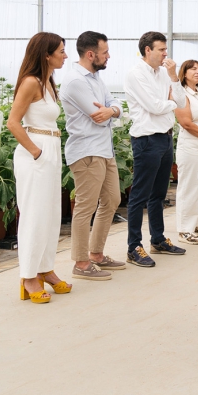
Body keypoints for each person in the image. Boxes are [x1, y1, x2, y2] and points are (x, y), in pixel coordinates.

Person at [7, 32, 72, 304]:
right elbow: (13, 121)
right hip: (36, 153)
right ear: (46, 54)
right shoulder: (31, 82)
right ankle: (29, 276)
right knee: (34, 215)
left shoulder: (48, 82)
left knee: (51, 214)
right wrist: (35, 151)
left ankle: (45, 268)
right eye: (61, 51)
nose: (65, 55)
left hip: (50, 150)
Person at [60, 31, 126, 281]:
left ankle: (96, 253)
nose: (108, 56)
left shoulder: (96, 78)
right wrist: (111, 111)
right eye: (105, 52)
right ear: (91, 54)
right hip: (87, 151)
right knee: (86, 206)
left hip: (103, 149)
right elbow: (98, 117)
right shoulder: (76, 81)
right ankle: (81, 262)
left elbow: (115, 106)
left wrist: (112, 110)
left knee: (112, 198)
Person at [123, 32, 188, 267]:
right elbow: (154, 106)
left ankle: (158, 240)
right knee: (139, 196)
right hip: (147, 140)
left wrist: (173, 78)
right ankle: (134, 247)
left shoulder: (163, 73)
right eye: (161, 49)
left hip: (165, 138)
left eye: (166, 49)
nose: (165, 54)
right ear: (147, 50)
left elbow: (180, 102)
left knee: (159, 195)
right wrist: (167, 104)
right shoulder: (135, 74)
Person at [174, 59, 198, 245]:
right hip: (191, 147)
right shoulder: (181, 94)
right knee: (189, 187)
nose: (197, 71)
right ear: (184, 72)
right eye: (193, 69)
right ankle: (184, 229)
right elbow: (186, 123)